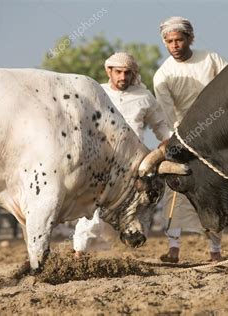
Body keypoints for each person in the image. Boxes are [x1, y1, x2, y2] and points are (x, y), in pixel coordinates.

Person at [73, 52, 171, 256]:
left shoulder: (144, 97)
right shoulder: (97, 93)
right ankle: (79, 253)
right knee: (93, 210)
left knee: (137, 206)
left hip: (134, 166)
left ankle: (124, 249)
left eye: (128, 73)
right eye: (118, 72)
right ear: (109, 71)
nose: (123, 77)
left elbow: (161, 127)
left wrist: (170, 146)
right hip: (101, 162)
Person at [153, 16, 228, 263]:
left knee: (213, 190)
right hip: (185, 137)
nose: (174, 45)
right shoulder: (163, 74)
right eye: (169, 41)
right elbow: (164, 114)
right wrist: (173, 140)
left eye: (179, 40)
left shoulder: (210, 59)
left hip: (216, 133)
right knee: (176, 189)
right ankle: (173, 248)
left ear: (190, 39)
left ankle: (215, 250)